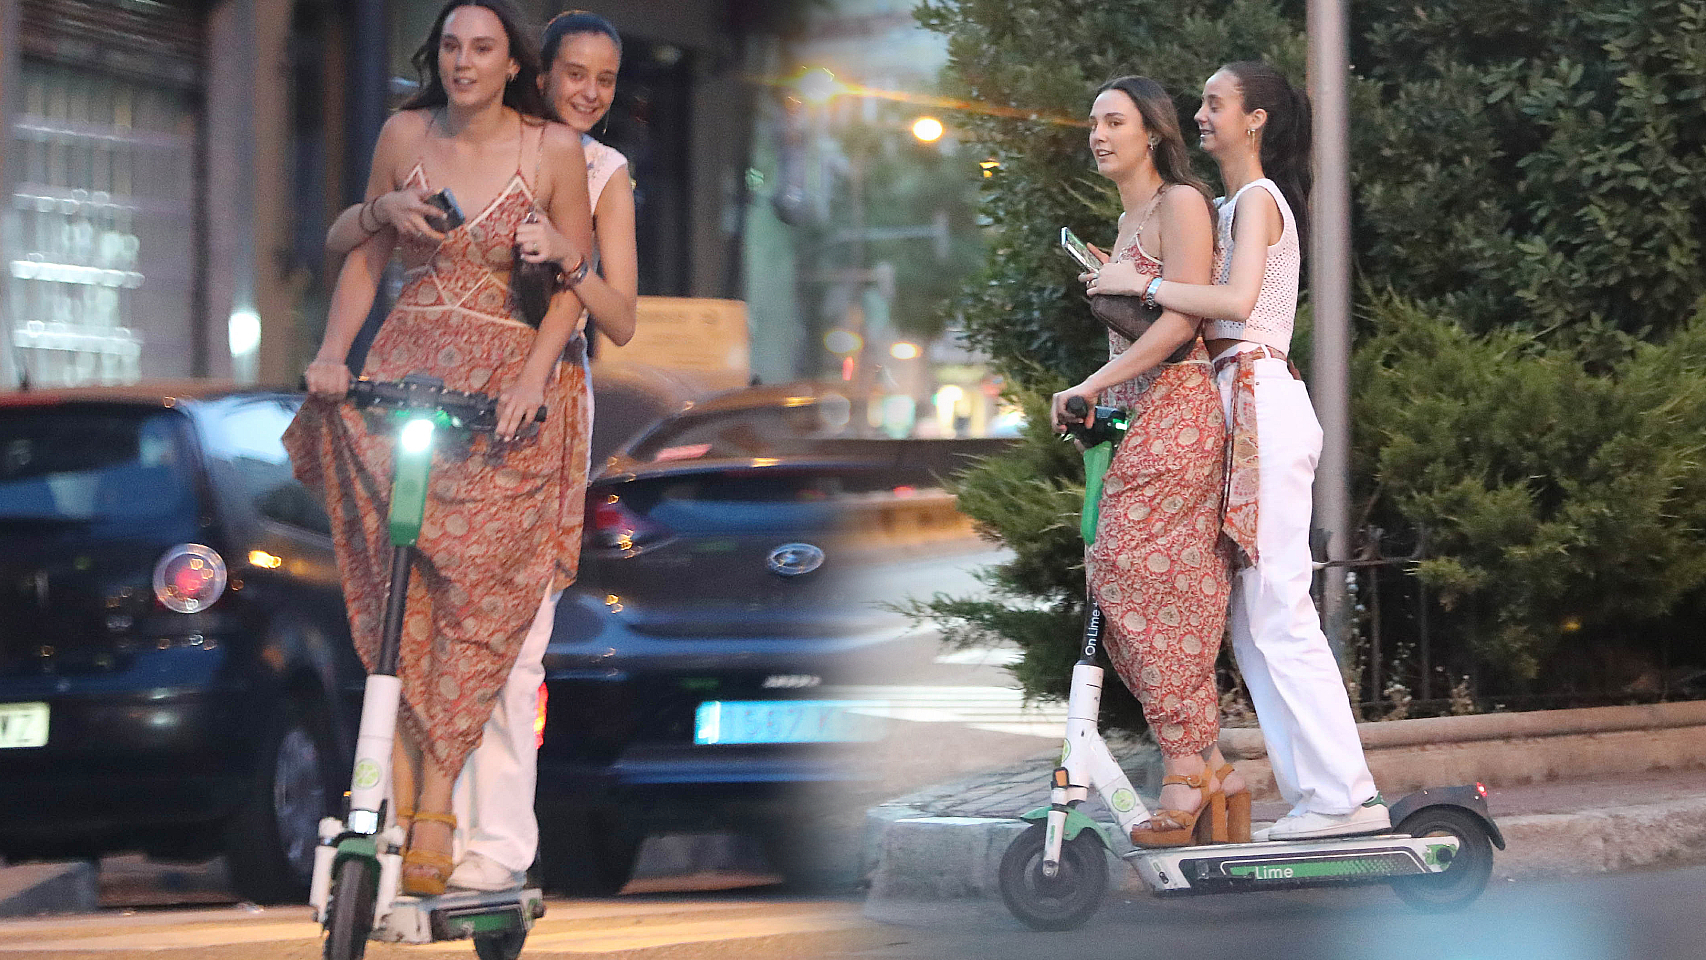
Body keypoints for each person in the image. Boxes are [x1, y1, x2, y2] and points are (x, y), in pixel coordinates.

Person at [284, 0, 596, 897]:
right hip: (404, 370)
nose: (464, 63)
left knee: (477, 609)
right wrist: (333, 355)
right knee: (403, 600)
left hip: (500, 396)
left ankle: (444, 813)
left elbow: (573, 283)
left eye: (483, 49)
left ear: (513, 66)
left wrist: (536, 377)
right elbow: (363, 257)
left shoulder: (552, 150)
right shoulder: (403, 130)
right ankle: (415, 803)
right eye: (451, 47)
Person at [1102, 61, 1389, 840]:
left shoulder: (1259, 201)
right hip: (1237, 402)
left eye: (1215, 103)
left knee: (1280, 611)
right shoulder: (1228, 205)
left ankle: (1347, 798)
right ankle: (1319, 799)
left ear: (1255, 119)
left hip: (1260, 395)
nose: (1200, 114)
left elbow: (1231, 304)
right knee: (1253, 620)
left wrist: (1145, 285)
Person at [1049, 76, 1237, 847]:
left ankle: (1190, 763)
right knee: (1115, 572)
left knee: (1143, 572)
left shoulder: (1179, 204)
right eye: (1093, 121)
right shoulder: (1128, 218)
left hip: (1184, 410)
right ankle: (1210, 763)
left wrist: (1091, 383)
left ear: (1153, 133)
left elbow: (1184, 322)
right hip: (1140, 415)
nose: (1098, 134)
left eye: (1114, 121)